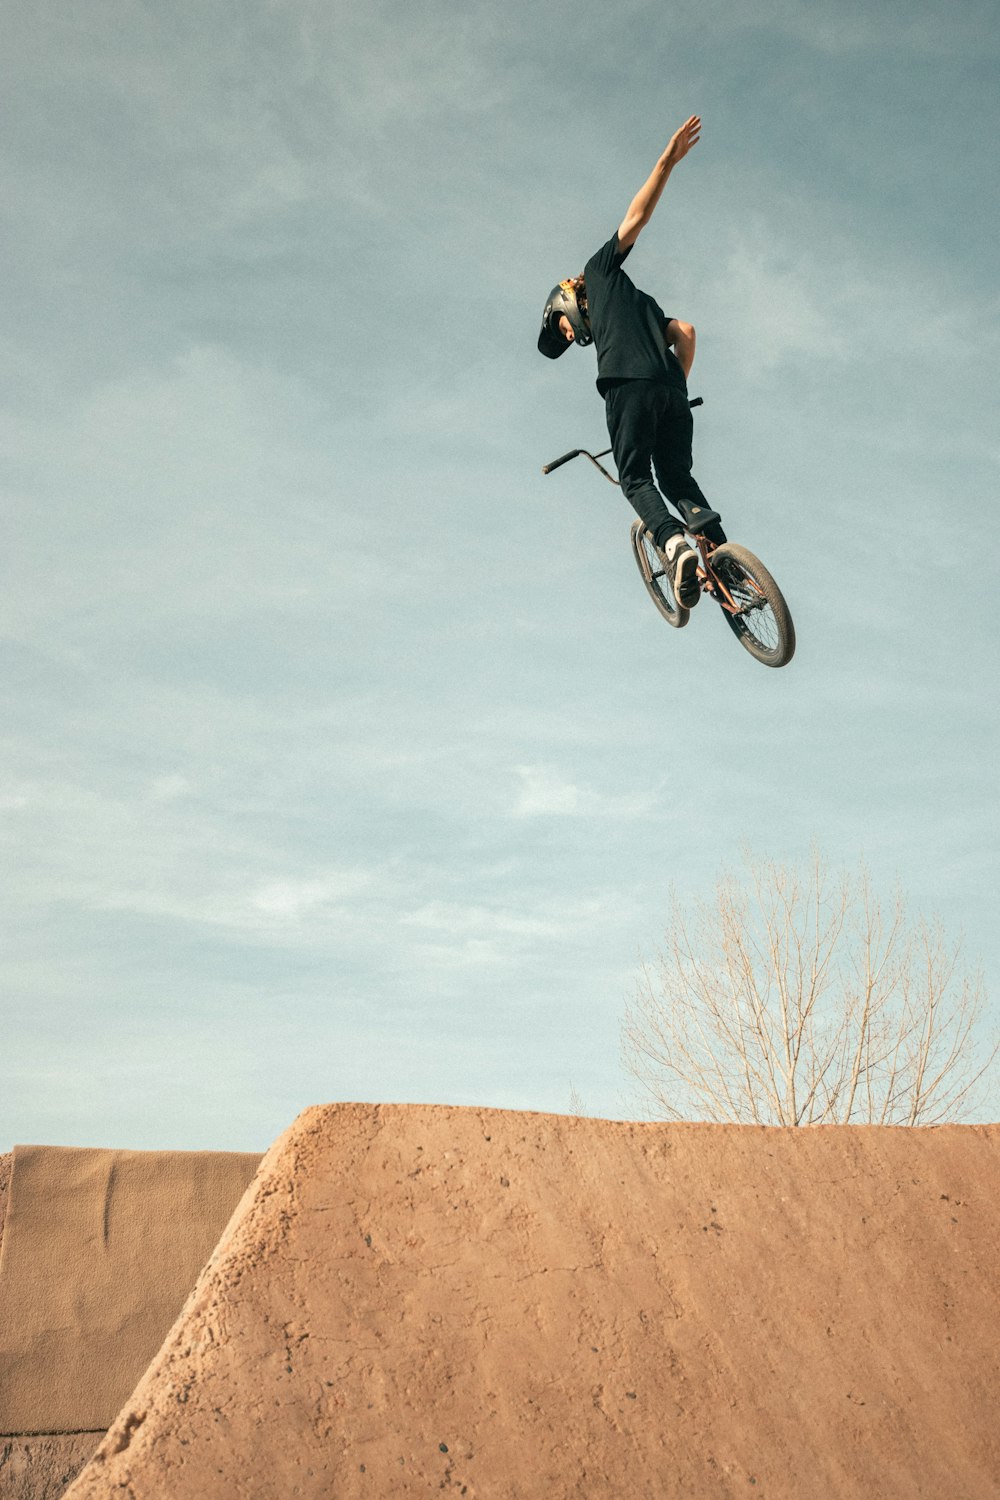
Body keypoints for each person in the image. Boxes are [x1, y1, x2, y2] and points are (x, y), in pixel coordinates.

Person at [537, 114, 725, 609]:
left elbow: (636, 217)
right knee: (678, 478)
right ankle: (726, 559)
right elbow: (685, 333)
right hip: (672, 391)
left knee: (635, 477)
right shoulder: (643, 304)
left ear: (566, 300)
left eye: (563, 325)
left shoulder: (596, 274)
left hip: (628, 386)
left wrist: (667, 160)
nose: (573, 334)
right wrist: (675, 391)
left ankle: (672, 541)